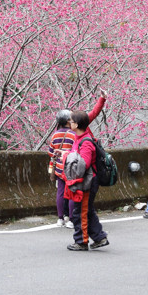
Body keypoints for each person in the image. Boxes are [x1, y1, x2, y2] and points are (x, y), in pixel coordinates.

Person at [48, 93, 106, 229]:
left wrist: (61, 154)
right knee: (73, 194)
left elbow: (51, 152)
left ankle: (61, 218)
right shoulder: (77, 135)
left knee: (61, 193)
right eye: (71, 120)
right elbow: (81, 158)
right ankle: (73, 220)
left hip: (60, 168)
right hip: (72, 168)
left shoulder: (55, 135)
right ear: (69, 122)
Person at [64, 109, 109, 251]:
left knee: (80, 212)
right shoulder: (79, 139)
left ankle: (81, 241)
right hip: (84, 181)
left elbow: (84, 164)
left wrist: (66, 157)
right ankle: (99, 237)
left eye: (71, 121)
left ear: (76, 125)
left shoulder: (86, 142)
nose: (69, 123)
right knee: (87, 211)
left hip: (87, 182)